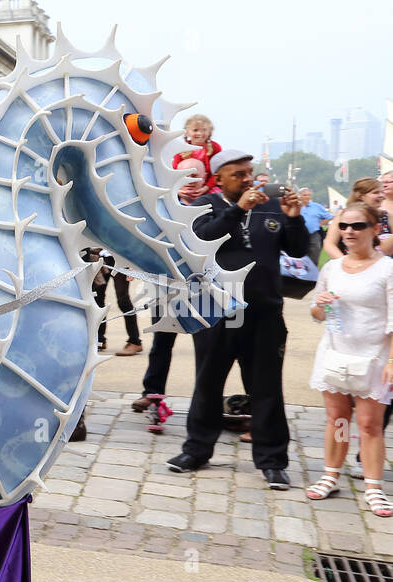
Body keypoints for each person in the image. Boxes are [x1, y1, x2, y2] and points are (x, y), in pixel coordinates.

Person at [167, 149, 309, 490]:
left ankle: (272, 461)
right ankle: (196, 451)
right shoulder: (202, 206)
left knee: (266, 389)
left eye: (249, 172)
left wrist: (294, 218)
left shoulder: (270, 207)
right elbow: (202, 239)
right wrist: (238, 210)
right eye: (239, 174)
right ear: (218, 178)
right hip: (218, 313)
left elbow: (298, 249)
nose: (248, 179)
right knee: (207, 384)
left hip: (264, 314)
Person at [303, 204, 393, 516]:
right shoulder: (332, 268)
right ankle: (331, 475)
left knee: (370, 424)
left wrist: (392, 361)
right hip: (335, 353)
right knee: (338, 420)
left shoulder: (387, 269)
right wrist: (321, 305)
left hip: (374, 357)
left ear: (375, 230)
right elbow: (317, 314)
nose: (349, 232)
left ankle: (373, 486)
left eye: (357, 226)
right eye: (343, 226)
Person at [133, 158, 205, 414]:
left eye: (195, 175)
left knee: (207, 347)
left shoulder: (212, 205)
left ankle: (204, 403)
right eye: (185, 175)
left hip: (203, 288)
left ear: (204, 177)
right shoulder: (163, 204)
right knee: (161, 342)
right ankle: (152, 393)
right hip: (166, 283)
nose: (190, 181)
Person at [83, 247, 141, 355]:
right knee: (97, 300)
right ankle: (99, 339)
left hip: (120, 257)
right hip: (98, 257)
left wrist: (132, 264)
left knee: (123, 300)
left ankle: (135, 341)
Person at [323, 178, 392, 260]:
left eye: (382, 192)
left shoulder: (387, 216)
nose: (382, 196)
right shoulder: (343, 215)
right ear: (361, 197)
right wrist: (344, 262)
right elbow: (329, 244)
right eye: (376, 192)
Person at [171, 114, 221, 192]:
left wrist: (206, 188)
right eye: (195, 130)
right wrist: (179, 191)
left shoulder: (215, 148)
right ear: (187, 132)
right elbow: (175, 172)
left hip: (208, 187)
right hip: (185, 187)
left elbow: (218, 171)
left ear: (209, 132)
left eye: (204, 130)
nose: (200, 133)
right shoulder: (181, 149)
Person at [297, 187, 332, 264]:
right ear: (300, 196)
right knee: (299, 256)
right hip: (299, 235)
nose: (307, 197)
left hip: (314, 234)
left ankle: (313, 270)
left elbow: (329, 217)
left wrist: (320, 223)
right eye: (305, 195)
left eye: (309, 195)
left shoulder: (317, 206)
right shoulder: (296, 206)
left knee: (315, 255)